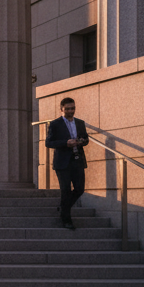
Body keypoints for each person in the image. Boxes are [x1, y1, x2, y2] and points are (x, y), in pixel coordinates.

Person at [45, 96, 89, 230]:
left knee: (80, 189)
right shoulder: (55, 124)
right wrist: (66, 143)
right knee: (65, 189)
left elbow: (86, 139)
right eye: (68, 109)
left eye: (73, 108)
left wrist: (82, 141)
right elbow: (49, 143)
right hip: (62, 163)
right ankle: (66, 219)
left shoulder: (80, 123)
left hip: (78, 160)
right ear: (61, 110)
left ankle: (64, 206)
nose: (71, 111)